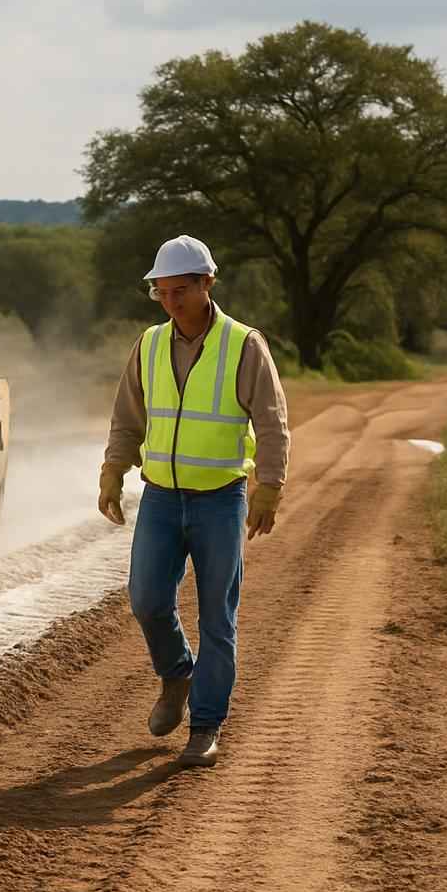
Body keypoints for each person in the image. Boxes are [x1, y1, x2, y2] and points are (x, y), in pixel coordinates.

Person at [98, 234, 290, 768]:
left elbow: (271, 422)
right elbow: (127, 418)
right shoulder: (150, 343)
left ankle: (205, 727)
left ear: (207, 284)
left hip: (220, 499)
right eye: (161, 291)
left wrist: (269, 485)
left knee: (218, 621)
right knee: (146, 599)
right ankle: (177, 675)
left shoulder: (243, 344)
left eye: (180, 290)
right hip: (160, 496)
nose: (170, 301)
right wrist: (113, 470)